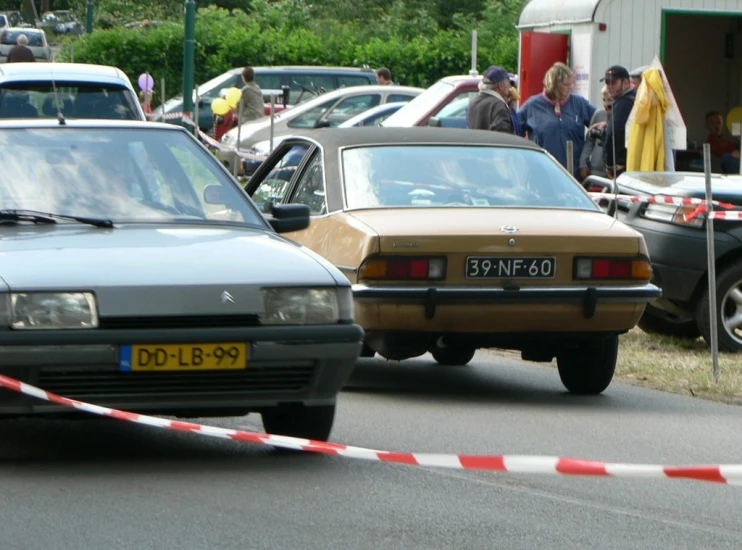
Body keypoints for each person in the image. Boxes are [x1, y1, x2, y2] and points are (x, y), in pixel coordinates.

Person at [517, 62, 596, 178]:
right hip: (543, 173)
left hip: (573, 175)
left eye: (571, 84)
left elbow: (599, 121)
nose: (570, 88)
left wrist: (585, 159)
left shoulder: (579, 103)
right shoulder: (532, 105)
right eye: (566, 85)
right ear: (553, 84)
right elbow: (515, 130)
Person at [601, 65, 636, 178]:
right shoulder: (634, 98)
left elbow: (614, 134)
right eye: (607, 83)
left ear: (626, 82)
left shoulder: (624, 103)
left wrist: (610, 165)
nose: (609, 87)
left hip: (622, 168)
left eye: (613, 83)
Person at [467, 65, 513, 134]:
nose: (510, 85)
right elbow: (502, 135)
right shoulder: (498, 105)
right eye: (508, 81)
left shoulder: (473, 102)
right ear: (501, 86)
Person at [579, 85, 611, 180]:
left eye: (609, 100)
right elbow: (589, 140)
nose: (606, 104)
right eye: (604, 100)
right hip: (596, 171)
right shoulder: (598, 114)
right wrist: (583, 162)